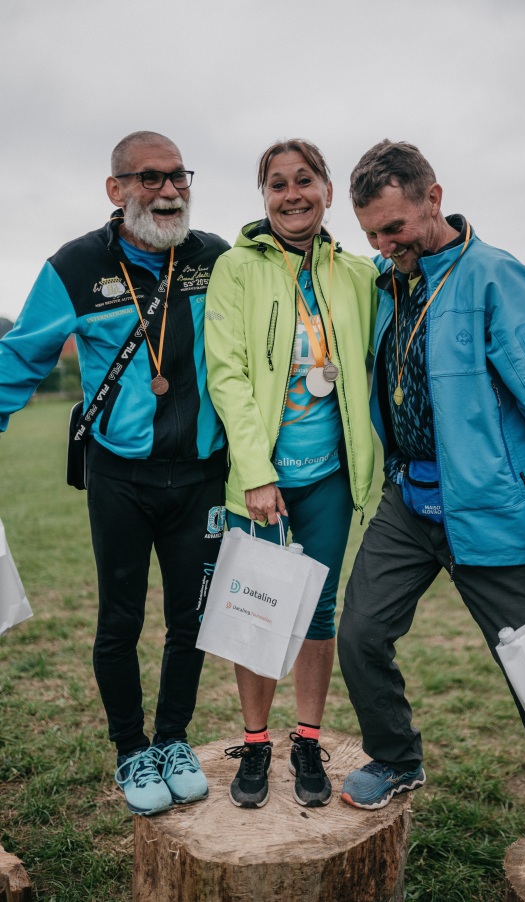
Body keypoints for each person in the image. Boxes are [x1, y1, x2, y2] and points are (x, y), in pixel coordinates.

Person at [336, 140, 525, 901]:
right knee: (359, 634)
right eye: (372, 234)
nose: (385, 246)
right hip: (410, 504)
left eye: (394, 228)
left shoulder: (498, 279)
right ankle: (396, 757)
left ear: (434, 198)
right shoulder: (392, 282)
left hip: (496, 517)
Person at [0, 131, 230, 817]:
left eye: (179, 177)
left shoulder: (216, 258)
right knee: (119, 619)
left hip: (201, 477)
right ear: (116, 189)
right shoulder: (74, 267)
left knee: (192, 619)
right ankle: (131, 748)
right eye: (150, 178)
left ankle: (173, 740)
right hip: (119, 479)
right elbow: (19, 358)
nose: (168, 191)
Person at [204, 139, 378, 809]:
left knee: (318, 610)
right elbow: (227, 374)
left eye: (304, 180)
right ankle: (255, 743)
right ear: (265, 198)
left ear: (328, 190)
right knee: (257, 608)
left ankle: (306, 739)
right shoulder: (235, 268)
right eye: (276, 184)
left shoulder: (357, 274)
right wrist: (256, 470)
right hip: (261, 482)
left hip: (330, 477)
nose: (292, 194)